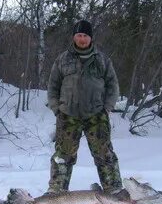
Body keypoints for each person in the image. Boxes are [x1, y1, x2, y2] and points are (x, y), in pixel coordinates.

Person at [46, 19, 122, 193]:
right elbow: (52, 86)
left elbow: (113, 86)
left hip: (96, 115)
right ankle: (56, 192)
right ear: (74, 37)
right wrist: (56, 108)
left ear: (90, 38)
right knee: (63, 156)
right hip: (68, 115)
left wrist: (107, 108)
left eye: (85, 36)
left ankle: (114, 190)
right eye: (79, 35)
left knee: (104, 154)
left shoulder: (102, 60)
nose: (82, 39)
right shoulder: (62, 59)